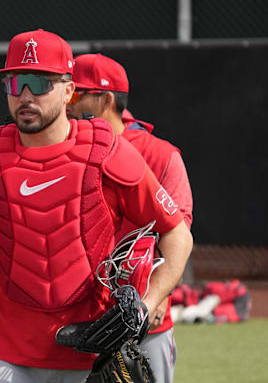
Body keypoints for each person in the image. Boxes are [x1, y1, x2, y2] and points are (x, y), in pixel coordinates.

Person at [0, 29, 194, 383]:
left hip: (90, 347)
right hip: (6, 347)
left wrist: (147, 303)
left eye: (39, 83)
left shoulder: (108, 151)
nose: (24, 95)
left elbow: (176, 233)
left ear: (69, 91)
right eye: (15, 82)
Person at [67, 53, 194, 383]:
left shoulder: (160, 153)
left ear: (106, 99)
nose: (68, 101)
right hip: (76, 317)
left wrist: (159, 296)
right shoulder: (62, 148)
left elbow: (178, 231)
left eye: (78, 93)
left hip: (141, 318)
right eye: (66, 90)